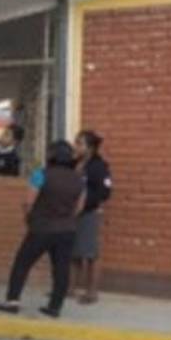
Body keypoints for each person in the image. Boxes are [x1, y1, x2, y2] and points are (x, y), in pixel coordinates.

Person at [0, 140, 85, 319]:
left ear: (51, 156)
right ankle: (55, 307)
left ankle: (12, 301)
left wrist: (29, 218)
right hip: (67, 230)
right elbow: (79, 207)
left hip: (42, 227)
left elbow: (29, 202)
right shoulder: (79, 179)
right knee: (61, 268)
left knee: (23, 263)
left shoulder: (41, 174)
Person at [72, 130, 112, 305]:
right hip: (72, 213)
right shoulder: (76, 163)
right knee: (74, 253)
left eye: (80, 143)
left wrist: (86, 204)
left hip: (88, 213)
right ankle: (71, 288)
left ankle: (92, 292)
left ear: (90, 148)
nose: (76, 146)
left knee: (90, 254)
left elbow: (105, 192)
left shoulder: (99, 166)